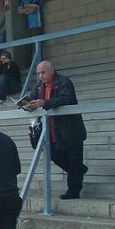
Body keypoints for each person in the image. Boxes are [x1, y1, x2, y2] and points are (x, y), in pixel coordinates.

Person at [28, 60, 87, 199]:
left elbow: (66, 99)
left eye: (43, 72)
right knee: (55, 156)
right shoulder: (39, 86)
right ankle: (79, 171)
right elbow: (32, 98)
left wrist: (45, 103)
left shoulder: (64, 82)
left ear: (52, 71)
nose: (41, 76)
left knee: (74, 160)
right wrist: (27, 104)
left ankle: (73, 191)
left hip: (70, 130)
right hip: (52, 131)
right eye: (38, 74)